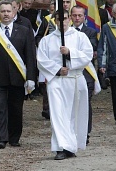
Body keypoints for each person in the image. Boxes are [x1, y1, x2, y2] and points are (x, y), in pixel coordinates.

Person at [0, 1, 37, 149]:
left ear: (14, 13)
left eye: (8, 11)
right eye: (3, 11)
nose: (6, 14)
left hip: (18, 77)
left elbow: (30, 56)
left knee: (16, 108)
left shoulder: (24, 31)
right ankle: (1, 138)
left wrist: (31, 77)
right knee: (0, 107)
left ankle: (14, 137)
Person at [37, 9, 94, 160]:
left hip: (75, 78)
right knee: (58, 113)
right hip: (56, 81)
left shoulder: (80, 37)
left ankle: (71, 145)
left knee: (74, 114)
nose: (62, 22)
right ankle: (61, 147)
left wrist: (70, 53)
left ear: (69, 19)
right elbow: (41, 60)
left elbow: (88, 55)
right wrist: (57, 70)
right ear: (55, 21)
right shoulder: (47, 40)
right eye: (59, 19)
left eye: (65, 18)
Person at [70, 5, 100, 144]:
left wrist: (71, 50)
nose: (77, 18)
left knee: (85, 103)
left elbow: (91, 47)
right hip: (69, 73)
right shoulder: (66, 32)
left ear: (84, 17)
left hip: (86, 73)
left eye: (79, 15)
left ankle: (85, 132)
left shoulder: (91, 32)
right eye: (74, 15)